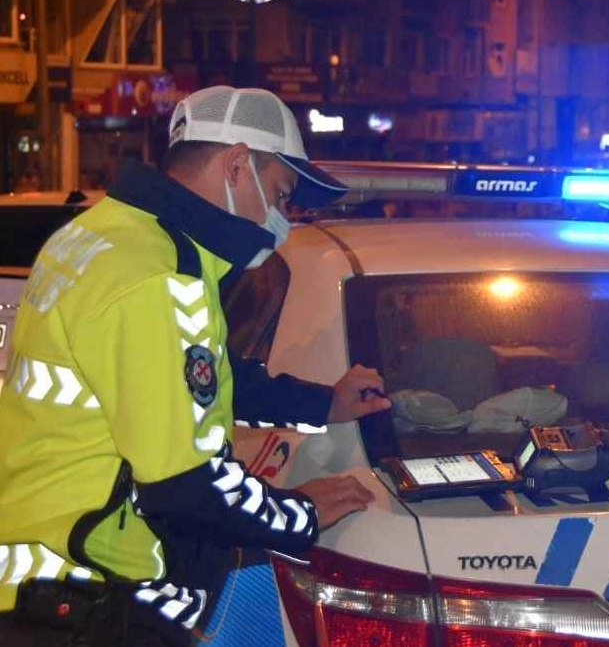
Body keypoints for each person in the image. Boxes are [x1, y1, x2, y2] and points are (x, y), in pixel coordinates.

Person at [0, 86, 393, 646]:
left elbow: (192, 380)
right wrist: (300, 514)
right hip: (91, 596)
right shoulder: (157, 276)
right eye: (280, 195)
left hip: (39, 578)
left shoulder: (104, 234)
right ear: (236, 166)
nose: (283, 218)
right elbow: (186, 486)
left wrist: (321, 403)